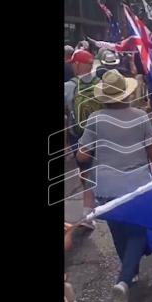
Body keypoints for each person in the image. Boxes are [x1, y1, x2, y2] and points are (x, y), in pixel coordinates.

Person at [76, 70, 152, 302]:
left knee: (117, 229)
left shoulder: (94, 118)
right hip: (136, 184)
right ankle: (124, 279)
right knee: (137, 233)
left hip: (105, 185)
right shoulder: (141, 116)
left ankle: (129, 272)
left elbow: (82, 154)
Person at [65, 49, 100, 231]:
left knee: (84, 173)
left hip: (78, 136)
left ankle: (88, 213)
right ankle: (94, 206)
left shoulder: (69, 86)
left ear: (77, 64)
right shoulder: (100, 84)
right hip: (99, 135)